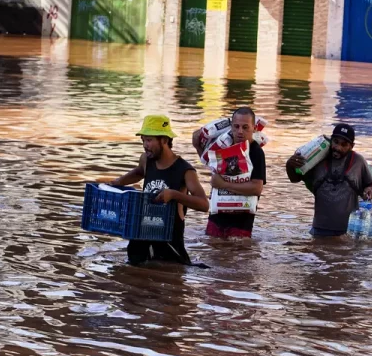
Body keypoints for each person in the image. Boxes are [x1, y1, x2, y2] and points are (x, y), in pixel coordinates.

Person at [109, 115, 210, 266]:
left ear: (164, 140)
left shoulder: (185, 170)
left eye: (149, 140)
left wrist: (174, 195)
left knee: (170, 280)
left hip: (168, 242)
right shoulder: (146, 160)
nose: (145, 145)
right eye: (143, 140)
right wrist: (116, 183)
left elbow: (204, 204)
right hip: (142, 236)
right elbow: (138, 172)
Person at [285, 123, 372, 237]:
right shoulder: (317, 158)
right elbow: (294, 179)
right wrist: (289, 165)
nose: (338, 147)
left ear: (351, 146)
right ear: (330, 140)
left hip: (349, 231)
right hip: (319, 229)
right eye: (335, 142)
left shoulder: (358, 161)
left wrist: (370, 189)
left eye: (344, 144)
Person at [205, 107, 267, 238]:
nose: (240, 131)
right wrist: (197, 145)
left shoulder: (256, 152)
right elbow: (207, 161)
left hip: (241, 224)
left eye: (245, 127)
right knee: (211, 253)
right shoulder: (223, 147)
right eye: (236, 126)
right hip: (216, 219)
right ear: (231, 127)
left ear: (254, 128)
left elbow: (257, 188)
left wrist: (223, 185)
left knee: (239, 254)